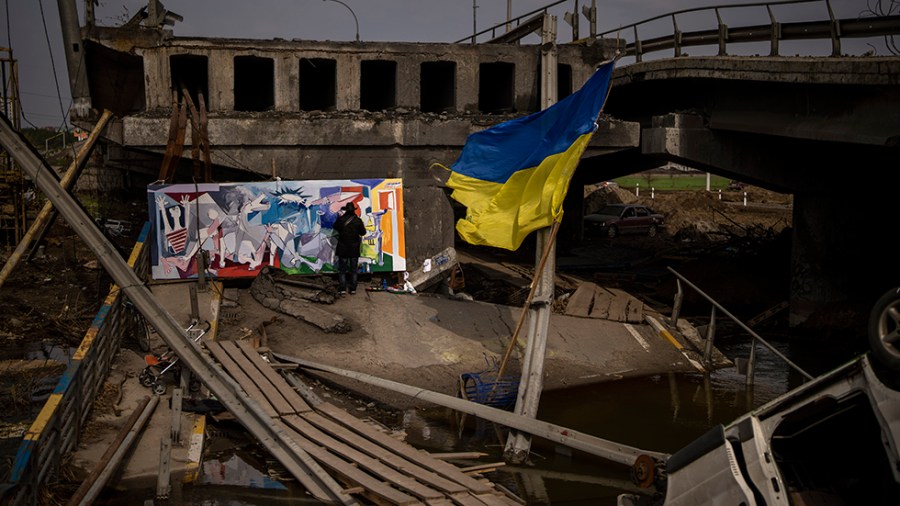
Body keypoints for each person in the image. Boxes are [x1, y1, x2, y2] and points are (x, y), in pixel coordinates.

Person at [333, 201, 367, 294]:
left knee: (342, 270)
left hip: (343, 247)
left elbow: (335, 227)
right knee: (354, 270)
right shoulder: (358, 221)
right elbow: (363, 233)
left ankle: (343, 288)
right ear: (354, 211)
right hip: (354, 248)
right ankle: (353, 289)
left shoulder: (341, 220)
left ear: (346, 210)